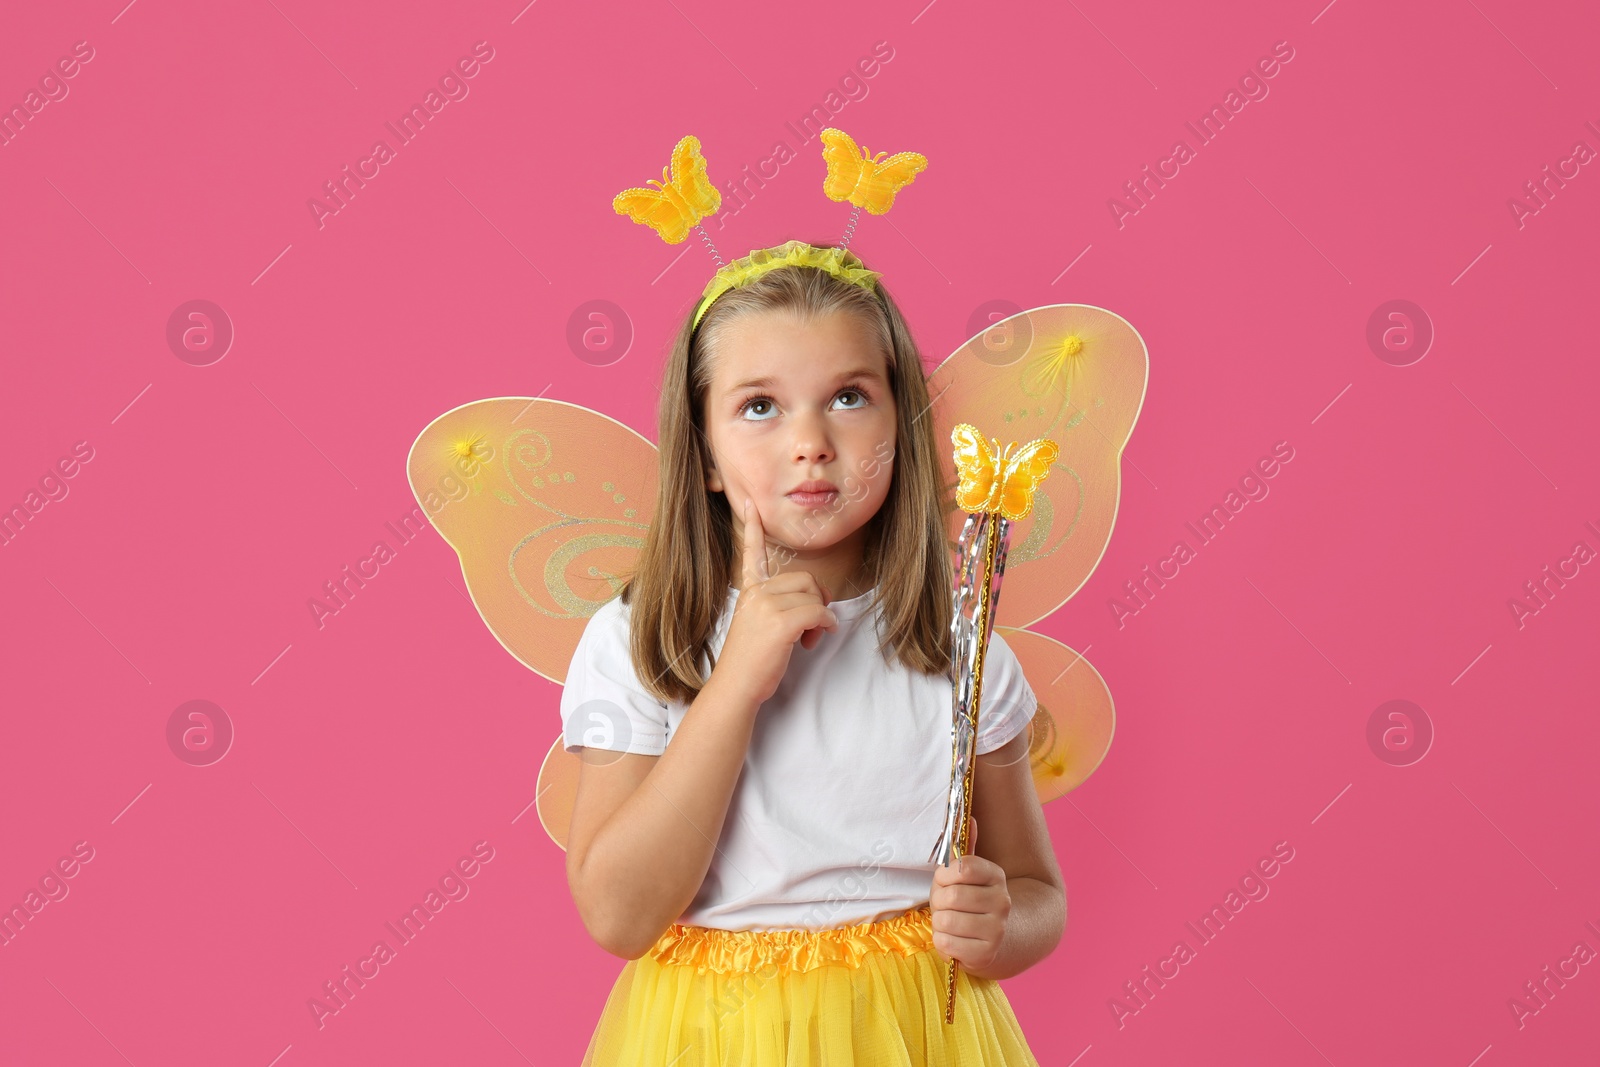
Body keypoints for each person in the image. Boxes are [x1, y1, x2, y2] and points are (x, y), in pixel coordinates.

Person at [557, 239, 1066, 1064]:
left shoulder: (959, 650)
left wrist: (1003, 925)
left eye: (849, 397)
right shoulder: (643, 640)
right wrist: (736, 681)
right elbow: (618, 914)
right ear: (707, 454)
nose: (810, 441)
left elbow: (1039, 891)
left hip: (917, 1039)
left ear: (901, 425)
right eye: (760, 405)